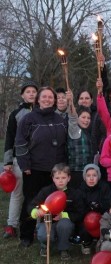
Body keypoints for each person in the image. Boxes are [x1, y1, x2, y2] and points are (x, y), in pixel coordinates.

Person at [15, 86, 68, 248]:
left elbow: (65, 144)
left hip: (56, 171)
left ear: (55, 100)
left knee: (55, 202)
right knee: (31, 202)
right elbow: (20, 143)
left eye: (50, 97)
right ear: (38, 100)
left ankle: (50, 233)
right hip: (35, 168)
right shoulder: (29, 119)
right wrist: (25, 165)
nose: (47, 99)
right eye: (44, 97)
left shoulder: (60, 119)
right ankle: (26, 234)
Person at [2, 81, 38, 239]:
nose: (31, 94)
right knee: (18, 193)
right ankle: (12, 224)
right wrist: (8, 161)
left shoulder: (42, 112)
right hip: (20, 159)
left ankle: (36, 224)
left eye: (34, 91)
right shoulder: (16, 113)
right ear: (22, 95)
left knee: (37, 193)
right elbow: (9, 137)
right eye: (28, 91)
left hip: (39, 159)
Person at [29, 164, 85, 260]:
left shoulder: (75, 193)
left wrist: (64, 215)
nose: (60, 180)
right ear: (53, 179)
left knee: (64, 225)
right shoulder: (46, 191)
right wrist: (35, 211)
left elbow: (80, 212)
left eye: (63, 177)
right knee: (44, 234)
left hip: (65, 222)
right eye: (57, 178)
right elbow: (32, 204)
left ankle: (64, 248)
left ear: (69, 178)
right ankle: (45, 245)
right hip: (47, 221)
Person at [78, 164, 111, 254]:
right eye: (88, 176)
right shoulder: (81, 189)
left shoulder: (104, 186)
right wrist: (90, 208)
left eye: (94, 175)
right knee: (84, 225)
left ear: (98, 176)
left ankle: (102, 242)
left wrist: (99, 206)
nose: (91, 178)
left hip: (102, 216)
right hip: (86, 218)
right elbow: (79, 207)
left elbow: (109, 204)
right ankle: (86, 243)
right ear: (85, 177)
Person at [66, 91, 94, 188]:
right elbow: (72, 118)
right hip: (75, 172)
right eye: (83, 117)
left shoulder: (89, 132)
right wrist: (70, 102)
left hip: (87, 172)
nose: (86, 120)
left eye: (88, 118)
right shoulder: (74, 131)